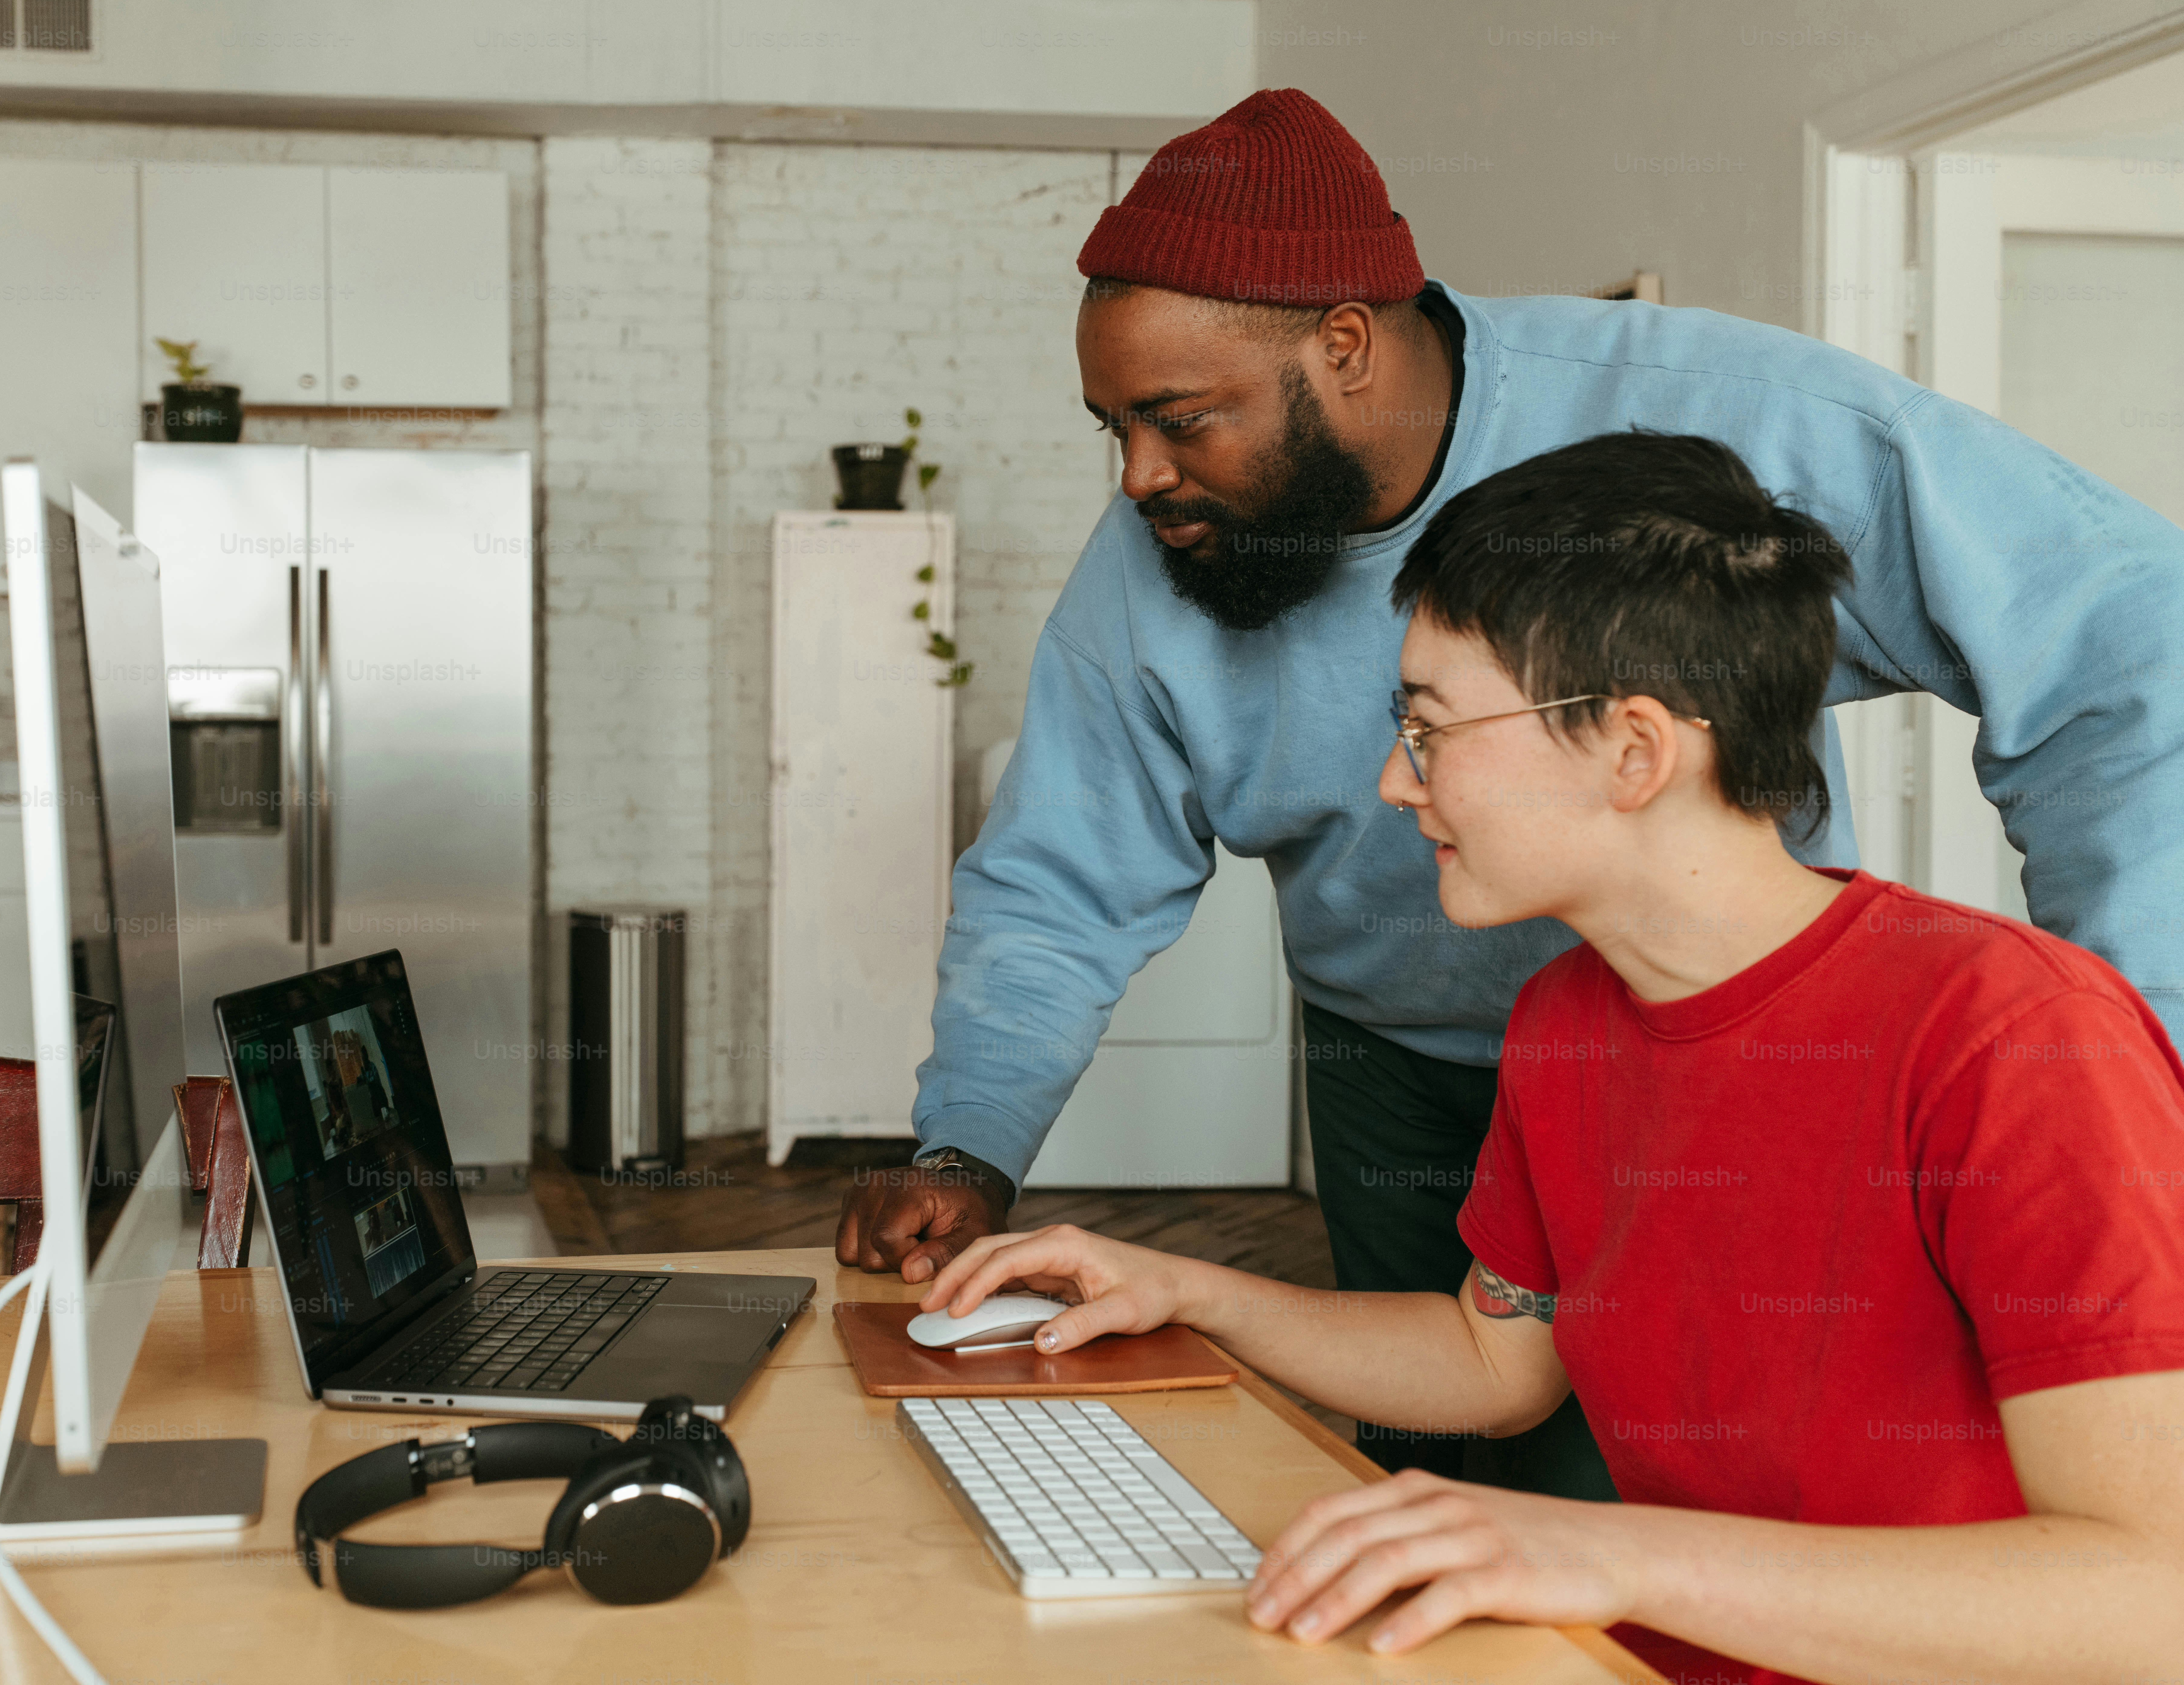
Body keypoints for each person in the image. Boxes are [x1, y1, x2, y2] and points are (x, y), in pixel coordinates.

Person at [834, 87, 2184, 1502]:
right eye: (1113, 426)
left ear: (1342, 345)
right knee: (1452, 1472)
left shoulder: (1724, 430)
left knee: (1743, 1456)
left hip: (1743, 1056)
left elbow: (2122, 634)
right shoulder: (1165, 553)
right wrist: (982, 1151)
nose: (1137, 476)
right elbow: (1058, 877)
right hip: (1437, 1063)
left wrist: (2120, 1070)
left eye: (1179, 419)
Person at [915, 431, 2184, 1685]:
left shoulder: (2016, 1040)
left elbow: (2152, 1595)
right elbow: (1495, 1363)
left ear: (1635, 750)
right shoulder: (1570, 1019)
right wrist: (1191, 1291)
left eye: (1430, 729)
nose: (1393, 783)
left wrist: (1616, 1556)